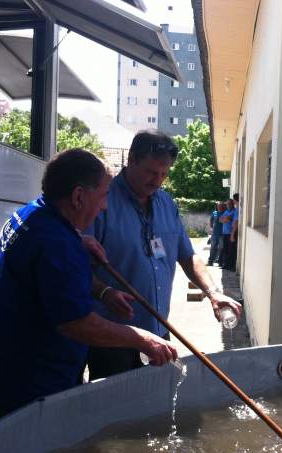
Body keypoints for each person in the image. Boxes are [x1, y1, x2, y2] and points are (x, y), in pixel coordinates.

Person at [0, 149, 177, 419]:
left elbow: (47, 274)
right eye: (102, 196)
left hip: (4, 373)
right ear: (78, 196)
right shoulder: (59, 245)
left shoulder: (32, 213)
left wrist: (100, 285)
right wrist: (142, 339)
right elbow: (78, 324)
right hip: (29, 390)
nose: (104, 206)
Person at [86, 131, 240, 378]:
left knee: (157, 399)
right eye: (150, 172)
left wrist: (213, 293)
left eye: (164, 174)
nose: (157, 181)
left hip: (158, 330)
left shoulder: (166, 203)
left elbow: (188, 255)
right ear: (131, 160)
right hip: (114, 338)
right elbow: (76, 265)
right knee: (115, 402)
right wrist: (103, 292)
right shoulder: (101, 200)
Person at [218, 198, 235, 270]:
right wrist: (226, 219)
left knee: (230, 250)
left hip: (230, 233)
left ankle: (230, 265)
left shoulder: (234, 211)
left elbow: (231, 219)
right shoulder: (226, 211)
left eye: (229, 204)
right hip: (224, 233)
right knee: (225, 250)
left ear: (232, 204)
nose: (228, 205)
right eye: (227, 204)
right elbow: (220, 220)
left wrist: (226, 219)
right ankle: (225, 264)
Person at [207, 201, 225, 266]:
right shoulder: (214, 213)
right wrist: (212, 227)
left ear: (223, 207)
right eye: (218, 206)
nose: (219, 207)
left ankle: (220, 261)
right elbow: (211, 220)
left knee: (221, 248)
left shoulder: (225, 212)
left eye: (220, 206)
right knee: (213, 248)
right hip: (214, 234)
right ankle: (210, 261)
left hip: (222, 234)